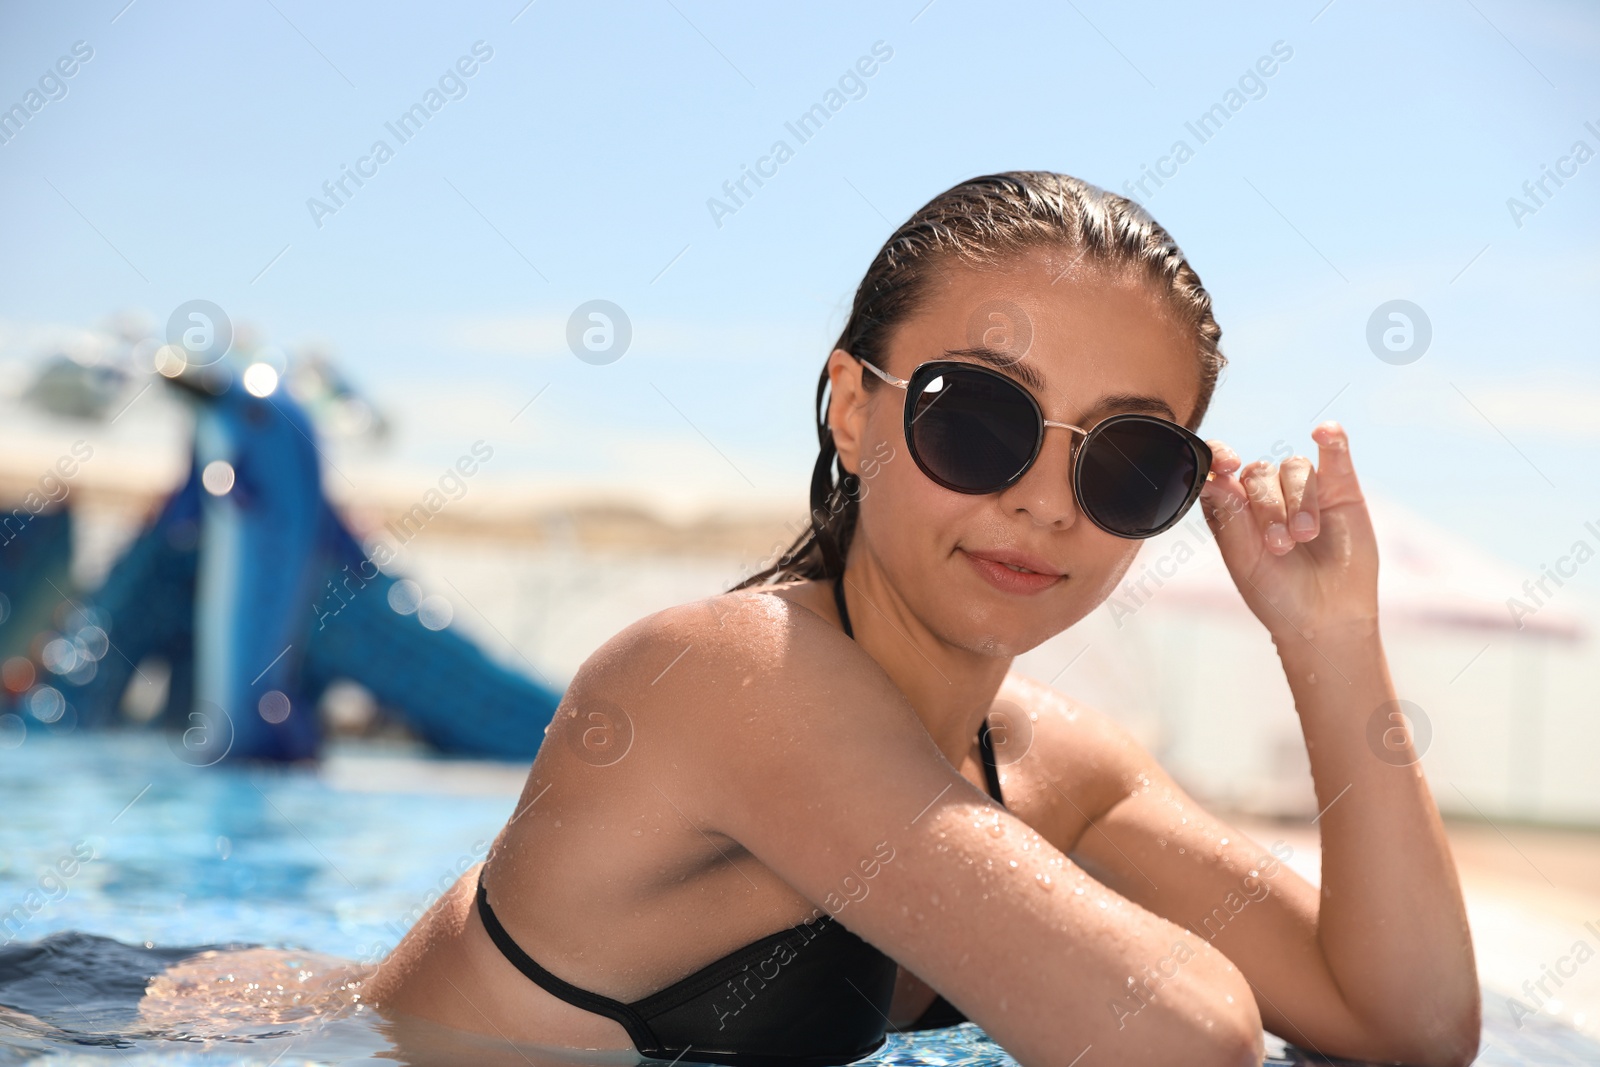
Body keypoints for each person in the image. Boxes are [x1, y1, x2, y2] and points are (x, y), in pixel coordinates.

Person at [364, 172, 1481, 1066]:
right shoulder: (726, 674)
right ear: (853, 411)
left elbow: (1410, 1024)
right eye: (981, 416)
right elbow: (1179, 1037)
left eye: (1129, 460)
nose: (1044, 500)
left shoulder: (1058, 769)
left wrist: (1328, 637)